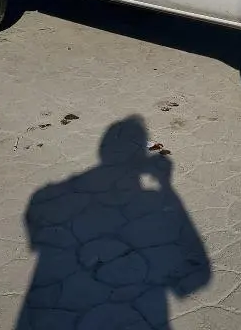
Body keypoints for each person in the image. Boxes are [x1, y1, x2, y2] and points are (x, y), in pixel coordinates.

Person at [16, 116, 210, 329]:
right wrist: (166, 184)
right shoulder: (152, 199)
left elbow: (35, 236)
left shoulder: (45, 195)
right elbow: (198, 278)